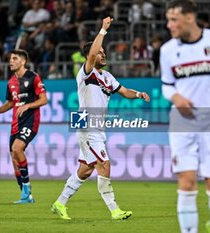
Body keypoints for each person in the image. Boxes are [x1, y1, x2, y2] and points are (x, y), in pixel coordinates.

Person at [51, 16, 150, 220]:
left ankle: (59, 203)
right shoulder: (86, 74)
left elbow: (123, 91)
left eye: (105, 52)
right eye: (100, 53)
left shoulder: (107, 77)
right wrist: (103, 31)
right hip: (86, 121)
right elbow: (93, 52)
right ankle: (114, 210)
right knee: (104, 164)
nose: (103, 55)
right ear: (90, 56)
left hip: (97, 125)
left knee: (86, 170)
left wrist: (139, 94)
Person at [160, 1, 210, 233]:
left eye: (174, 19)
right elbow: (166, 85)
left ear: (190, 18)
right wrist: (176, 98)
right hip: (181, 123)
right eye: (168, 19)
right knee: (186, 183)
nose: (169, 25)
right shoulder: (167, 50)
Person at [0, 49, 47, 204]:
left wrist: (28, 106)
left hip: (30, 121)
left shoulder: (33, 77)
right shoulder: (11, 82)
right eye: (10, 59)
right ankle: (26, 196)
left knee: (17, 148)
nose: (10, 61)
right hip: (16, 124)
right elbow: (10, 104)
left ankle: (26, 186)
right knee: (14, 160)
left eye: (14, 58)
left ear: (23, 61)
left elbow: (44, 99)